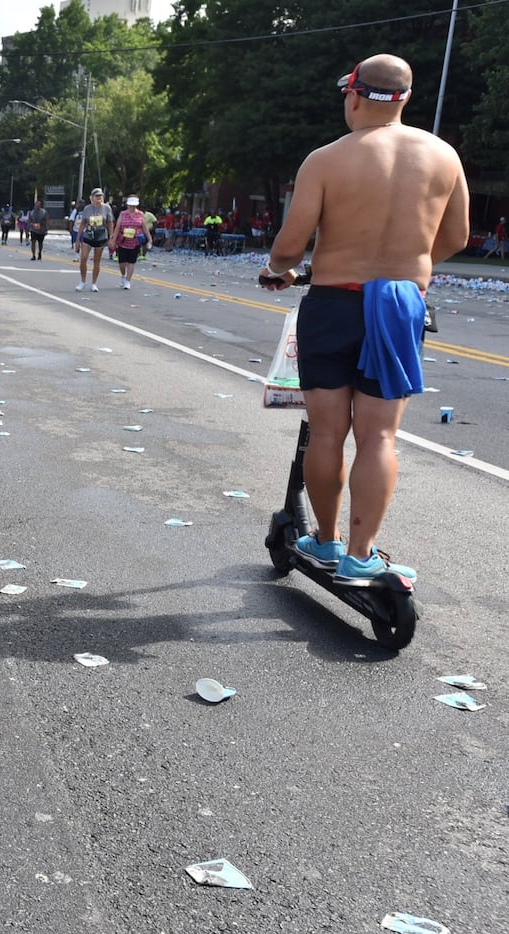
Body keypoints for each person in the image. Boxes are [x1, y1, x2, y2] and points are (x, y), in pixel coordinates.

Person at [261, 53, 468, 585]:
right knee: (378, 439)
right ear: (405, 99)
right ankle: (361, 553)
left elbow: (289, 244)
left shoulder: (327, 159)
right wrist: (406, 264)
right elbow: (455, 239)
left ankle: (325, 543)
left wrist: (281, 269)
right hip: (399, 306)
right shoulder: (443, 156)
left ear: (354, 95)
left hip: (332, 303)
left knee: (328, 432)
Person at [75, 188, 114, 292]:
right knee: (83, 258)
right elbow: (83, 223)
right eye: (96, 196)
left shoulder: (106, 208)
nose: (99, 198)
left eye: (100, 196)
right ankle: (82, 281)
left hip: (100, 236)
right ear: (92, 198)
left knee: (97, 261)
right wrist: (78, 239)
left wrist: (111, 237)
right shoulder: (87, 208)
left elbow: (110, 223)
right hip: (88, 235)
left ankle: (94, 283)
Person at [112, 196, 153, 290]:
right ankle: (123, 275)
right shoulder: (122, 214)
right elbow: (117, 227)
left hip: (134, 242)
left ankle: (128, 280)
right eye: (130, 206)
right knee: (122, 262)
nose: (132, 208)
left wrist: (149, 239)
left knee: (131, 261)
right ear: (127, 205)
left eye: (134, 206)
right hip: (123, 241)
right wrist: (113, 240)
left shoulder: (140, 214)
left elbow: (145, 228)